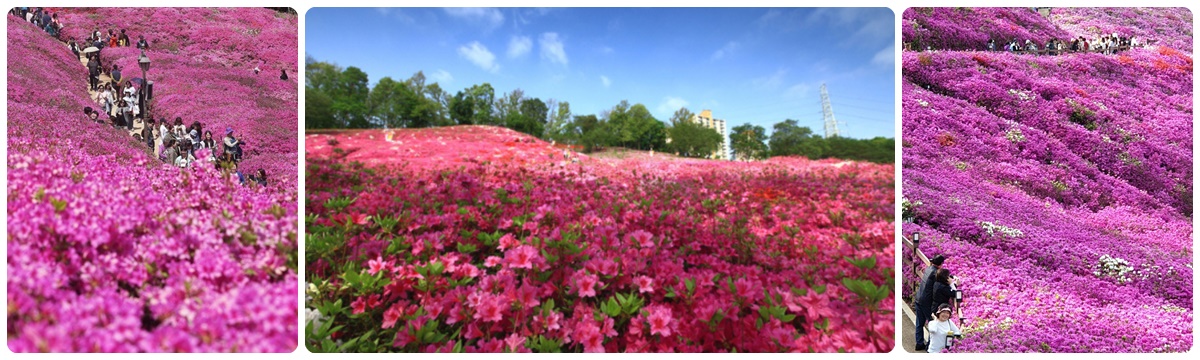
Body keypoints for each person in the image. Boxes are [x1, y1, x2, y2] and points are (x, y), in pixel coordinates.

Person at [914, 254, 946, 351]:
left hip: (918, 298)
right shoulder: (935, 273)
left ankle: (919, 343)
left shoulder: (928, 269)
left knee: (919, 323)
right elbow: (942, 282)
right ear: (940, 264)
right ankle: (929, 345)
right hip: (926, 302)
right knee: (932, 323)